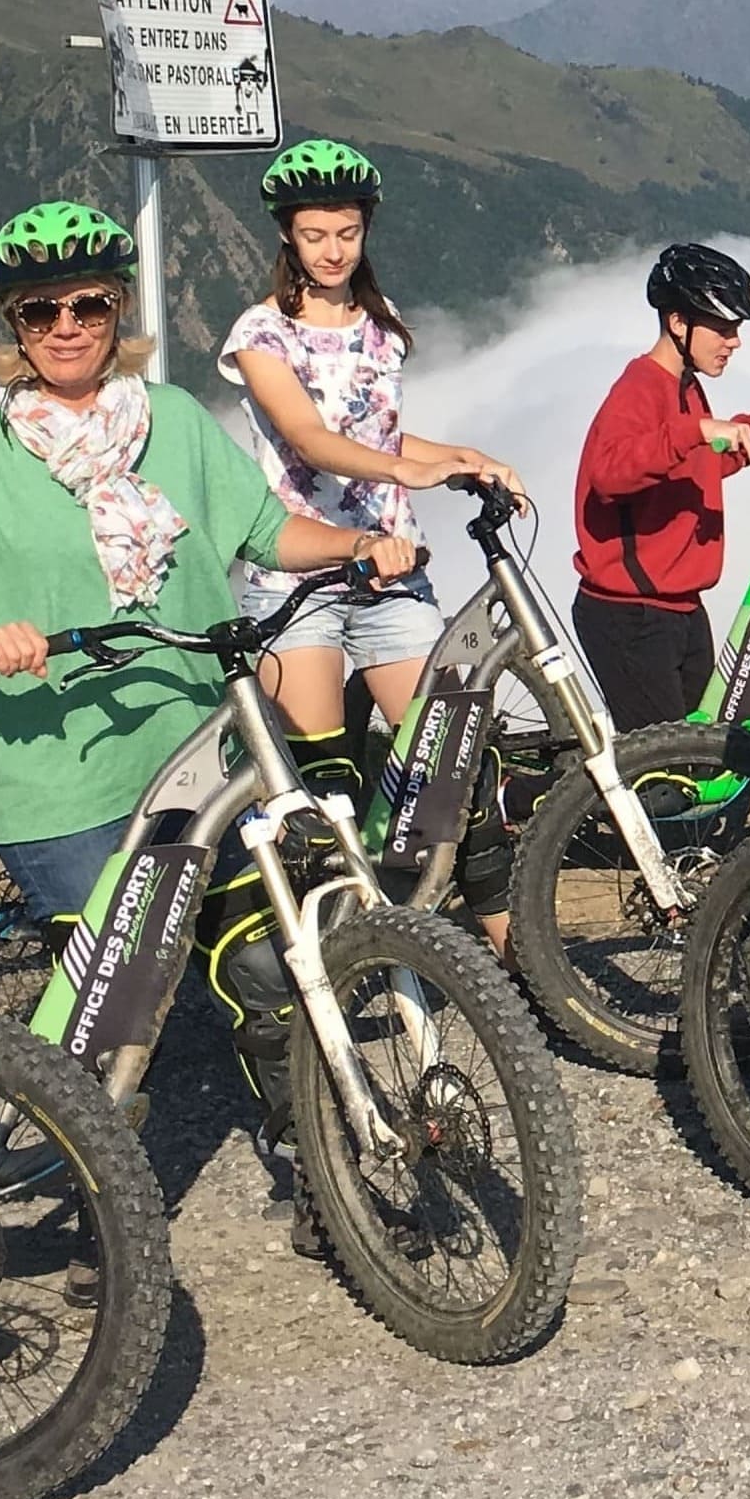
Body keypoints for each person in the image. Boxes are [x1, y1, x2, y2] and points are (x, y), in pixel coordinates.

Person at [0, 203, 418, 1229]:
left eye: (89, 305)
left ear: (120, 312)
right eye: (39, 311)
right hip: (58, 775)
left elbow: (263, 533)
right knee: (112, 1016)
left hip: (203, 750)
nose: (66, 326)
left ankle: (318, 1175)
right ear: (12, 329)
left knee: (262, 962)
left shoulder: (177, 424)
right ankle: (100, 1228)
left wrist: (352, 543)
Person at [220, 140, 521, 953]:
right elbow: (310, 440)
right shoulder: (261, 333)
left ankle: (519, 964)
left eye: (345, 233)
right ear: (287, 236)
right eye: (314, 234)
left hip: (391, 577)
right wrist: (409, 471)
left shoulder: (380, 328)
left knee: (457, 769)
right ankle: (324, 974)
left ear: (365, 231)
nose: (330, 250)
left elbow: (378, 431)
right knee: (321, 798)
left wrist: (462, 459)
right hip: (296, 577)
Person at [570, 245, 750, 732]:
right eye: (723, 328)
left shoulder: (685, 385)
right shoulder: (639, 387)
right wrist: (696, 432)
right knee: (661, 775)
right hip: (629, 614)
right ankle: (526, 798)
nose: (734, 341)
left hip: (680, 607)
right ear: (678, 323)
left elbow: (688, 470)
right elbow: (610, 474)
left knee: (700, 753)